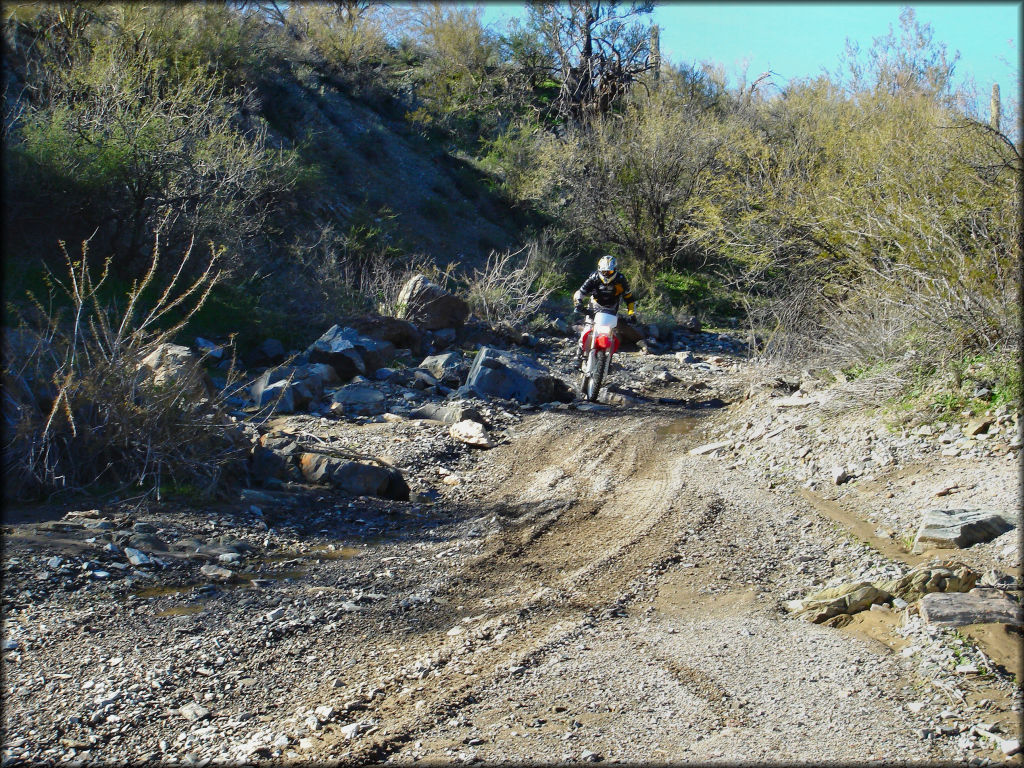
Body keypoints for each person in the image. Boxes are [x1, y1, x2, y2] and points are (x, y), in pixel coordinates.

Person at [573, 255, 637, 360]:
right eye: (604, 272)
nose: (606, 274)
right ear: (599, 270)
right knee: (587, 329)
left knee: (611, 332)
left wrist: (631, 314)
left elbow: (629, 298)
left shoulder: (621, 280)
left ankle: (608, 359)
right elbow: (580, 292)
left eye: (609, 272)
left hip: (612, 307)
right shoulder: (594, 278)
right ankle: (579, 353)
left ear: (615, 270)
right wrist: (578, 303)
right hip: (595, 305)